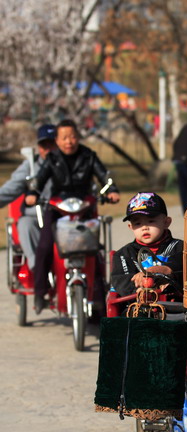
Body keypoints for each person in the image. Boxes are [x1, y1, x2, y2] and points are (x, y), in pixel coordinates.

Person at [25, 118, 120, 314]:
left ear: (78, 137)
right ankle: (40, 292)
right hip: (57, 209)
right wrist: (33, 193)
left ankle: (100, 295)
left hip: (85, 209)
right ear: (57, 141)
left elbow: (104, 176)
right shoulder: (52, 158)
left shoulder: (89, 156)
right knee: (44, 247)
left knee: (96, 252)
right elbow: (38, 181)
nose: (69, 141)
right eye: (64, 138)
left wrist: (111, 190)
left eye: (73, 137)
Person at [0, 124, 57, 270]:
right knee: (25, 223)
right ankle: (36, 266)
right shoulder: (30, 166)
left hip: (62, 215)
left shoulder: (70, 163)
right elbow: (10, 189)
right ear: (39, 147)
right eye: (44, 145)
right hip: (36, 217)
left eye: (52, 144)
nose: (48, 149)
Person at [111, 192, 183, 299]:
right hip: (137, 306)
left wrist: (162, 273)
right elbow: (121, 280)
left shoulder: (180, 247)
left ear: (166, 222)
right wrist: (140, 288)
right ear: (130, 227)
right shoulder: (124, 254)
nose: (144, 227)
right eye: (138, 223)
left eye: (151, 221)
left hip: (176, 305)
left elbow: (183, 265)